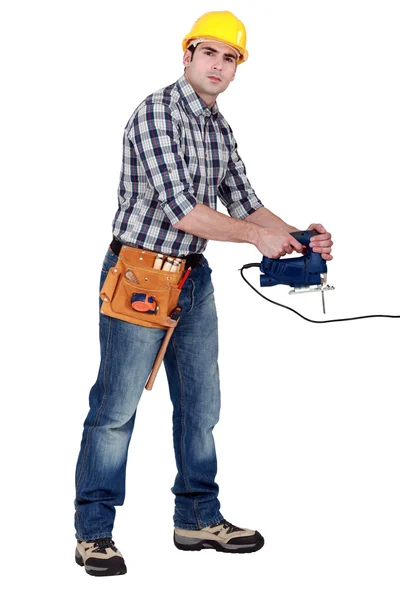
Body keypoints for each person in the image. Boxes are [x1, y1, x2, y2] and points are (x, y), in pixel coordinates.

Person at [74, 10, 333, 577]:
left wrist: (296, 237)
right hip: (139, 276)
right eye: (209, 53)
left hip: (193, 279)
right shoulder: (156, 114)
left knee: (201, 408)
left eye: (230, 58)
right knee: (115, 410)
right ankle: (94, 534)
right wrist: (257, 238)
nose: (218, 65)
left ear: (238, 70)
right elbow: (184, 211)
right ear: (187, 55)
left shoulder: (219, 127)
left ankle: (196, 518)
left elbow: (244, 200)